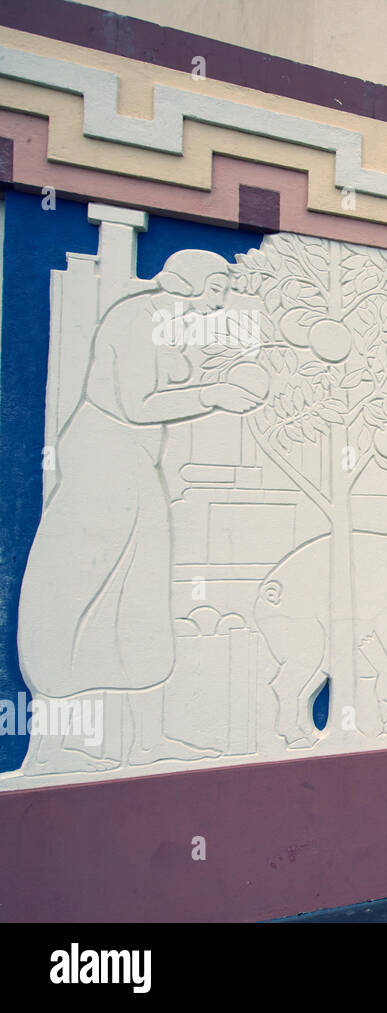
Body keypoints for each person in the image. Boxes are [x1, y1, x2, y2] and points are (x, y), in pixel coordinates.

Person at [18, 250, 262, 770]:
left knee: (141, 599)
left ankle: (146, 742)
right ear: (189, 281)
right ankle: (58, 745)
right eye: (217, 285)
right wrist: (214, 394)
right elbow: (137, 405)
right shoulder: (138, 319)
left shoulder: (171, 327)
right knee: (86, 592)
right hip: (104, 464)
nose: (222, 298)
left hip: (135, 466)